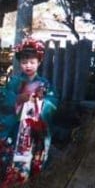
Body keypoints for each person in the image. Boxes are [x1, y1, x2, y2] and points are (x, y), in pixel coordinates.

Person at [0, 39, 58, 185]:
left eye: (32, 62)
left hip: (34, 129)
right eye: (24, 62)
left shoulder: (44, 83)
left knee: (32, 159)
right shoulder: (14, 81)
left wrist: (42, 104)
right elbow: (5, 98)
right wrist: (17, 98)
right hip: (15, 127)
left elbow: (53, 101)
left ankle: (28, 180)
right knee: (9, 159)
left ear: (39, 62)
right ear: (20, 63)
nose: (28, 65)